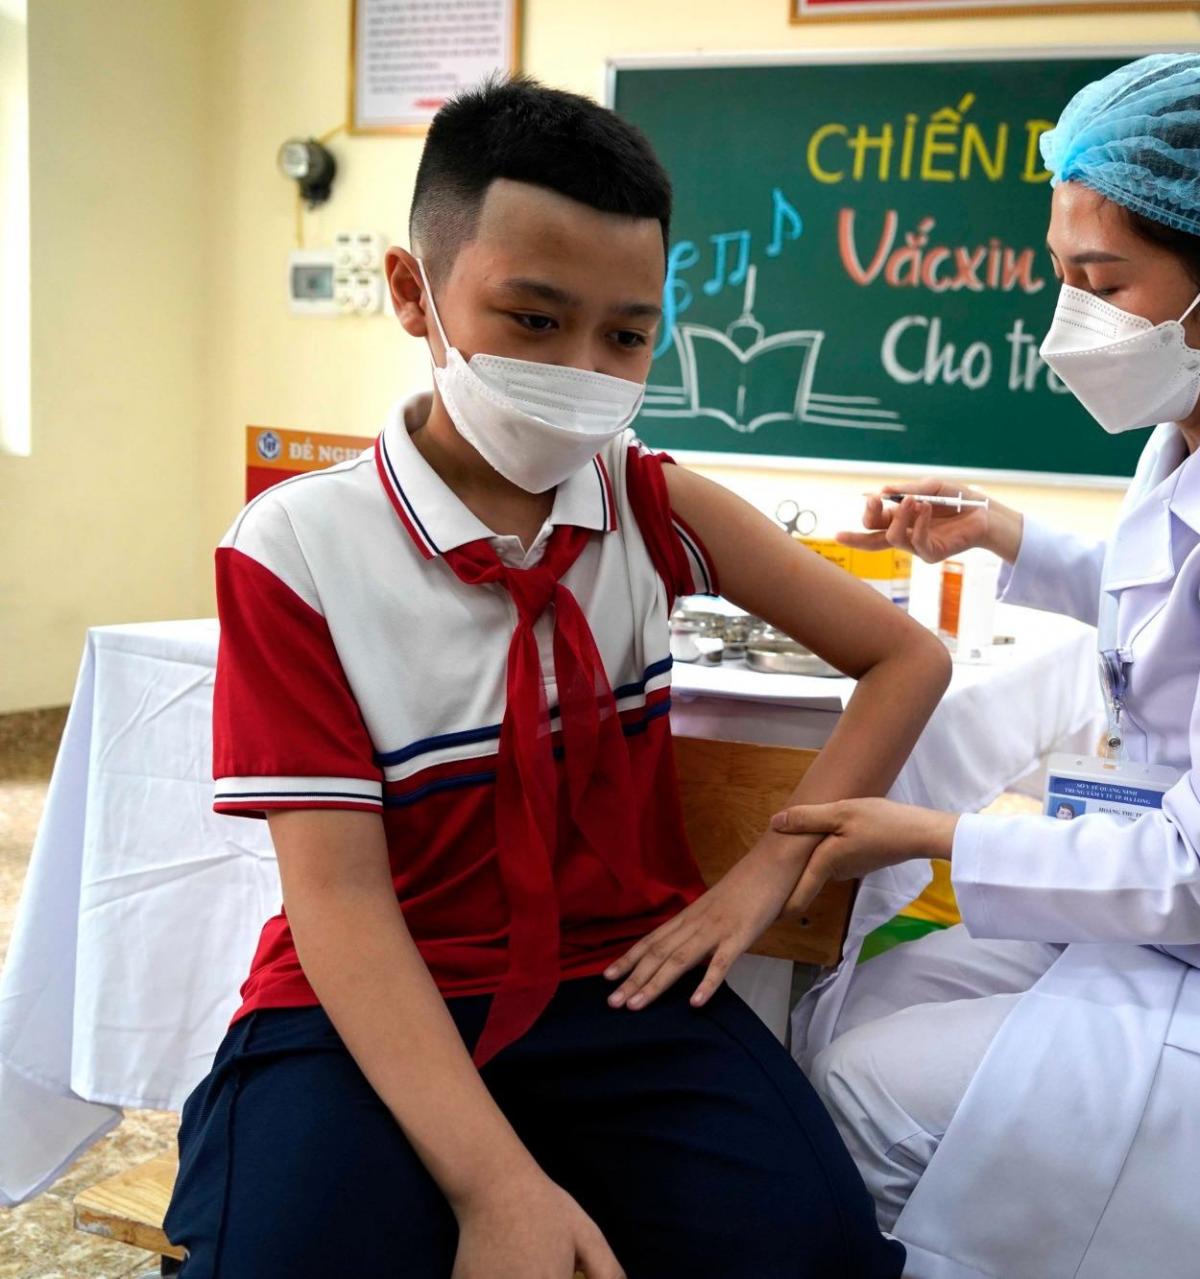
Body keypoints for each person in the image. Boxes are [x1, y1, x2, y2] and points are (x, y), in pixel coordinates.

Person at [163, 78, 942, 1279]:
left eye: (626, 336)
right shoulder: (298, 548)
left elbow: (906, 655)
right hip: (371, 999)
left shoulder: (647, 501)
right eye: (533, 319)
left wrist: (765, 874)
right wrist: (499, 1187)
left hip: (617, 985)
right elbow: (343, 903)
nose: (583, 368)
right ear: (413, 291)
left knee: (815, 1250)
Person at [744, 54, 1200, 1278]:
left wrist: (936, 836)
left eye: (1101, 281)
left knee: (865, 1087)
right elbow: (1181, 603)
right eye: (1062, 273)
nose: (1068, 316)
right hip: (1190, 925)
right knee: (844, 1012)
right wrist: (999, 535)